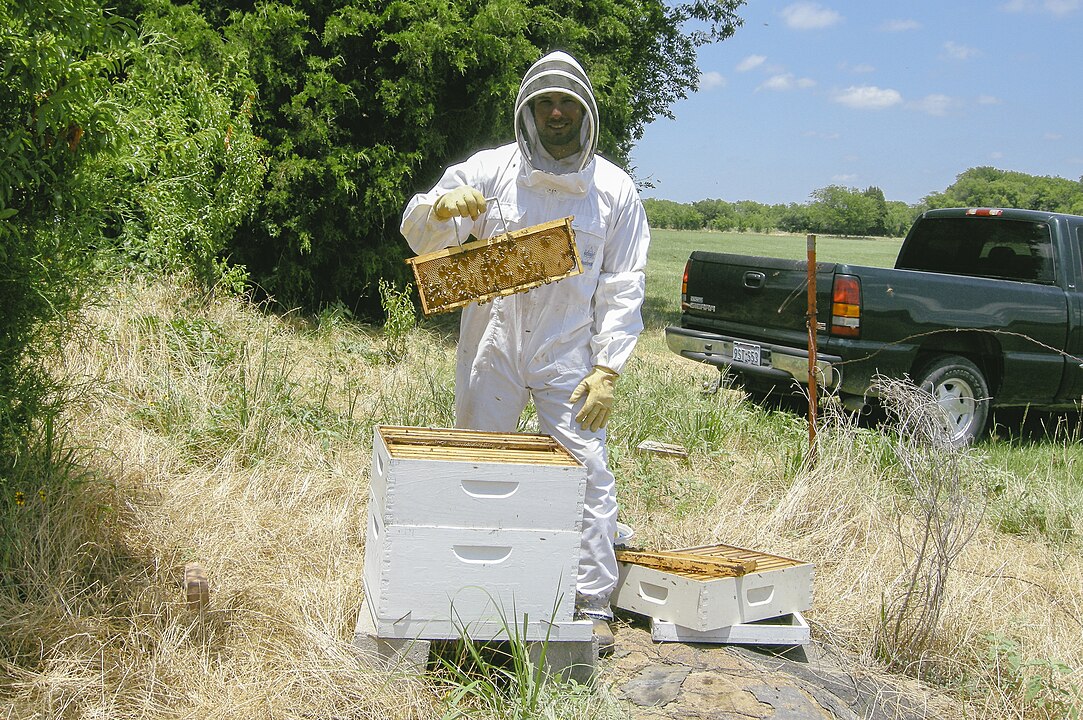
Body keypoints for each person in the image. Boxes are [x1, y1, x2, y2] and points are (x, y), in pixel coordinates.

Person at [400, 50, 651, 652]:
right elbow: (420, 231)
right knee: (478, 466)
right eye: (545, 102)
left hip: (570, 354)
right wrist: (441, 209)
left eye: (566, 102)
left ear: (586, 110)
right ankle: (475, 587)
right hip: (494, 343)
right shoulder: (489, 170)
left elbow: (624, 284)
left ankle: (591, 602)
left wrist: (609, 366)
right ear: (529, 111)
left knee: (586, 470)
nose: (556, 112)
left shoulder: (613, 190)